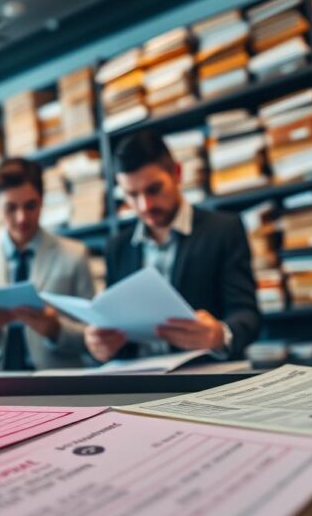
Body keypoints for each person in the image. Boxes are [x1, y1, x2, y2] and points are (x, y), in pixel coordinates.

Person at [85, 131, 261, 363]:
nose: (144, 205)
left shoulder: (224, 230)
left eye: (154, 189)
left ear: (177, 173)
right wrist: (100, 345)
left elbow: (247, 315)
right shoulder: (116, 247)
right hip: (136, 379)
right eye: (132, 195)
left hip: (201, 375)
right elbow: (113, 321)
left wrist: (218, 334)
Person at [0, 158, 95, 370]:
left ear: (42, 200)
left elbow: (95, 337)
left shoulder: (74, 255)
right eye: (11, 208)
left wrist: (56, 330)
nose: (22, 218)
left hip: (56, 380)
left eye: (30, 206)